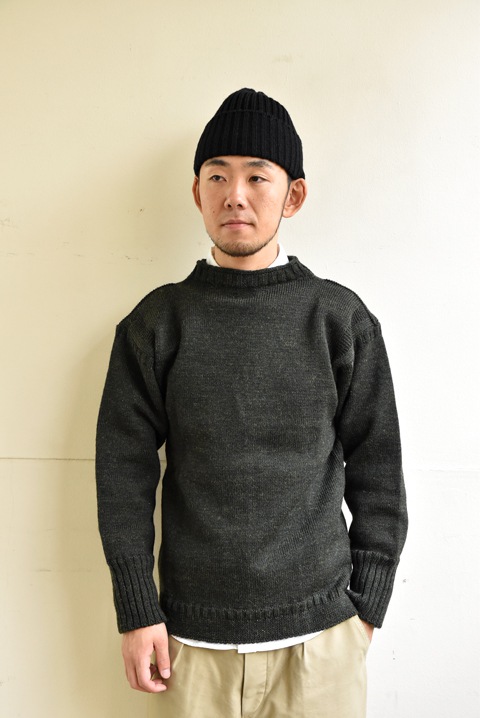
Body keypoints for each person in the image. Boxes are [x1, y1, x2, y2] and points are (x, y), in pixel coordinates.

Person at [96, 88, 408, 718]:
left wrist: (367, 609)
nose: (235, 195)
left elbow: (379, 468)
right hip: (189, 645)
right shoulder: (156, 324)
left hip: (322, 641)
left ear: (293, 195)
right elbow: (123, 474)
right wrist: (136, 610)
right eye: (217, 176)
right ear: (197, 193)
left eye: (257, 176)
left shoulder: (338, 319)